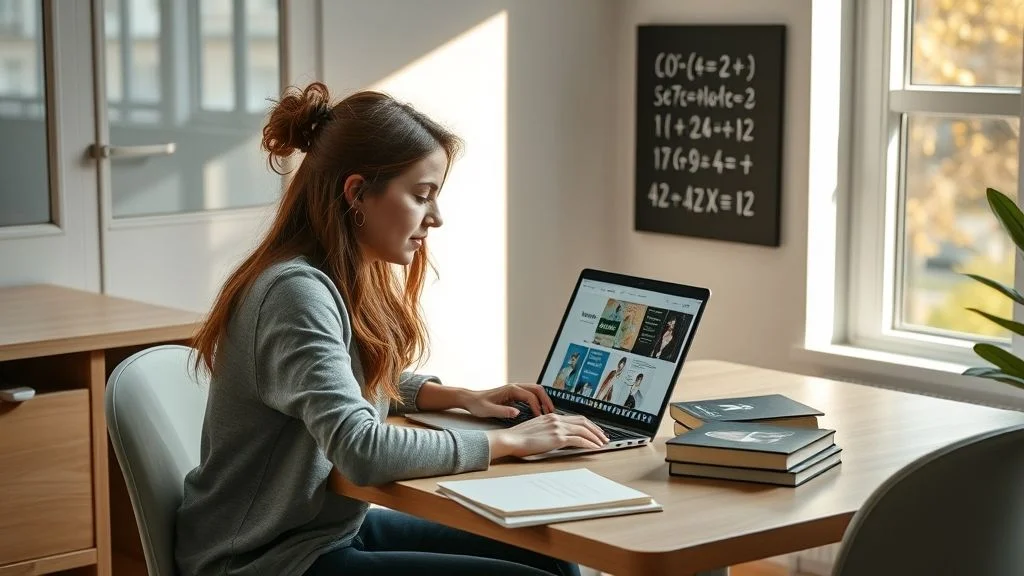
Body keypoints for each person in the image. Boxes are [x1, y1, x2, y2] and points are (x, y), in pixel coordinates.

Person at [175, 82, 609, 576]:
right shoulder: (295, 293)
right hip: (260, 558)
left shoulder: (328, 275)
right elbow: (362, 449)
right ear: (358, 193)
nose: (437, 218)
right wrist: (510, 441)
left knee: (549, 557)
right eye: (422, 196)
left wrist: (465, 398)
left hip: (322, 532)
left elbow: (338, 383)